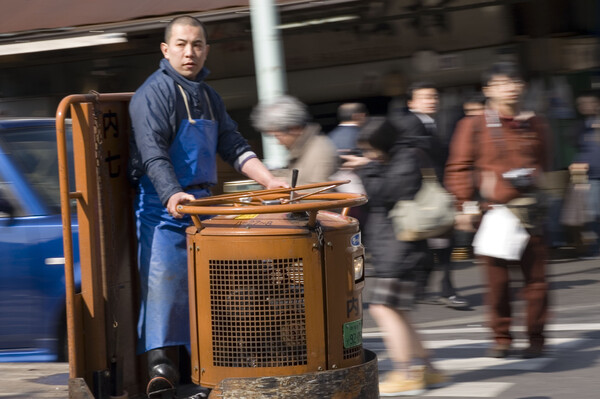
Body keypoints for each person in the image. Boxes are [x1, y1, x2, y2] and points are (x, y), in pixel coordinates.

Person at [128, 16, 287, 398]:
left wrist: (270, 181)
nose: (190, 52)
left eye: (197, 45)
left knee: (215, 288)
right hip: (164, 208)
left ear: (206, 50)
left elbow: (233, 145)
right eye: (182, 44)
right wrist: (172, 194)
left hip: (205, 207)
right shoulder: (153, 93)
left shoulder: (209, 96)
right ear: (165, 50)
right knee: (164, 289)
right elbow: (153, 153)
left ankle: (216, 363)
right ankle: (162, 369)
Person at [445, 61, 551, 358]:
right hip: (493, 213)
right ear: (488, 90)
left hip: (530, 211)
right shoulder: (474, 125)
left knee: (537, 281)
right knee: (497, 283)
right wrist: (464, 205)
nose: (512, 87)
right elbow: (459, 167)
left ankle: (536, 339)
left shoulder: (535, 123)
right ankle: (502, 337)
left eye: (516, 82)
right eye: (504, 83)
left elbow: (545, 160)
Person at [341, 116, 447, 396]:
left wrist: (367, 170)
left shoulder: (405, 158)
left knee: (382, 308)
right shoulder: (395, 158)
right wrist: (371, 166)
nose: (369, 155)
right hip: (396, 248)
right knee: (397, 311)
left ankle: (406, 372)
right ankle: (428, 367)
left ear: (384, 143)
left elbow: (386, 192)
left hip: (401, 250)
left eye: (371, 149)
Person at [389, 82, 469, 309]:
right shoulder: (411, 124)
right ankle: (441, 290)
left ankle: (427, 289)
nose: (431, 101)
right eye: (424, 97)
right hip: (424, 195)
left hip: (430, 194)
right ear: (411, 103)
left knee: (434, 244)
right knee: (437, 244)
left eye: (433, 97)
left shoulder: (432, 123)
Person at [250, 95, 338, 186]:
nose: (278, 142)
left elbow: (317, 194)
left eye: (278, 136)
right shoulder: (304, 149)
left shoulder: (318, 152)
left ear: (294, 129)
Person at [569, 91, 600, 258]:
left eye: (589, 102)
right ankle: (595, 248)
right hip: (586, 175)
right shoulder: (579, 127)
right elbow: (579, 153)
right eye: (581, 103)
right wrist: (577, 180)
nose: (585, 106)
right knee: (590, 212)